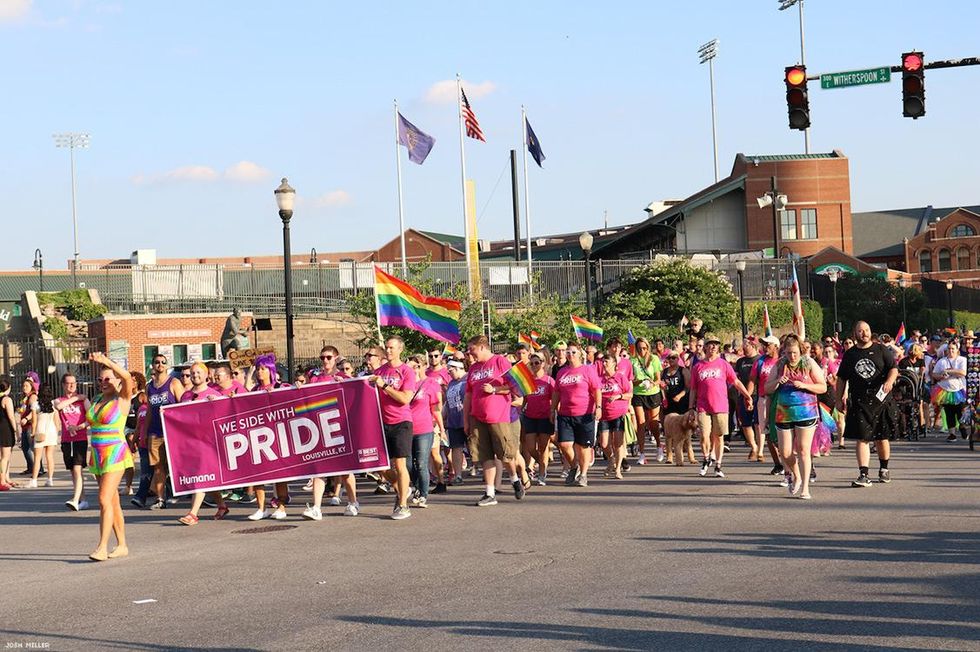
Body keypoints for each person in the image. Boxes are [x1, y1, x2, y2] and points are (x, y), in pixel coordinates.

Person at [463, 335, 529, 506]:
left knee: (505, 455)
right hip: (477, 417)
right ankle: (490, 493)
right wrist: (466, 419)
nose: (469, 352)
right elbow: (468, 395)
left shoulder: (500, 361)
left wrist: (494, 389)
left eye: (472, 349)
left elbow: (515, 387)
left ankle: (514, 479)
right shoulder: (473, 368)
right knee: (485, 456)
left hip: (498, 417)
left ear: (482, 347)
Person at [86, 352, 135, 561]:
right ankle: (122, 544)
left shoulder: (122, 399)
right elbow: (92, 422)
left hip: (115, 453)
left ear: (116, 380)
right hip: (97, 454)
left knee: (103, 499)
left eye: (108, 379)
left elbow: (127, 378)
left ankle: (102, 547)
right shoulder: (97, 399)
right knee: (112, 502)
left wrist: (107, 362)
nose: (103, 383)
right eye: (100, 380)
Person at [835, 321, 898, 487]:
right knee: (862, 438)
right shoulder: (850, 354)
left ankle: (884, 469)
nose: (864, 333)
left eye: (867, 330)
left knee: (881, 438)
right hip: (859, 401)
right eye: (860, 331)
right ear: (855, 334)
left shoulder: (881, 349)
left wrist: (889, 381)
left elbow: (893, 368)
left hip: (881, 400)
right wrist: (838, 399)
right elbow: (841, 378)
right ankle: (863, 474)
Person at [765, 334, 827, 500]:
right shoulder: (779, 364)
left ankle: (805, 488)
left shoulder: (808, 363)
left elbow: (823, 387)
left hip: (806, 411)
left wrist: (805, 385)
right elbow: (767, 388)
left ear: (800, 351)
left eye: (795, 353)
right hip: (784, 412)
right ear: (784, 351)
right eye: (789, 353)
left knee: (803, 450)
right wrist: (778, 381)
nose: (792, 356)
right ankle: (796, 475)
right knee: (785, 452)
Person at [688, 335, 753, 479]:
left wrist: (747, 395)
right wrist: (691, 408)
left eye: (716, 344)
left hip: (720, 405)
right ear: (705, 347)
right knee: (704, 435)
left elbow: (735, 382)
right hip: (703, 406)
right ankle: (706, 458)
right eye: (710, 344)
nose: (713, 347)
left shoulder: (723, 364)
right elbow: (693, 389)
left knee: (718, 436)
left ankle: (718, 465)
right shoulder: (698, 367)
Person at [371, 336, 417, 519]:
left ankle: (403, 505)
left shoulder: (406, 371)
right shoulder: (379, 371)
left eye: (392, 348)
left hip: (401, 422)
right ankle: (402, 489)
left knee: (399, 464)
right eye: (387, 347)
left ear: (400, 350)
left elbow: (405, 398)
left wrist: (385, 386)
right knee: (378, 465)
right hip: (381, 422)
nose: (388, 350)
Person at [176, 362, 228, 525]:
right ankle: (222, 505)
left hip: (208, 443)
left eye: (198, 372)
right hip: (191, 443)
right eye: (192, 373)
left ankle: (192, 514)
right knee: (206, 477)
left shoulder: (214, 394)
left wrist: (217, 404)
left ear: (206, 375)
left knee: (201, 476)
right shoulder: (185, 396)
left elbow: (225, 417)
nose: (195, 375)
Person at [247, 354, 292, 520]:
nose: (260, 372)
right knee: (258, 474)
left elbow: (292, 401)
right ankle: (261, 508)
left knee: (279, 475)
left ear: (271, 370)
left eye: (263, 369)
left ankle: (281, 507)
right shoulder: (254, 391)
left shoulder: (281, 386)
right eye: (258, 369)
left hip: (278, 435)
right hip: (259, 436)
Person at [552, 343, 602, 487]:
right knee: (564, 444)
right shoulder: (562, 372)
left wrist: (598, 407)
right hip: (565, 414)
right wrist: (552, 409)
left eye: (573, 352)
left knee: (582, 446)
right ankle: (574, 466)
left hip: (584, 414)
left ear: (580, 354)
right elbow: (556, 392)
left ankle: (583, 474)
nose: (570, 354)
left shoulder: (588, 370)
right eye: (568, 352)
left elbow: (596, 390)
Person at [144, 353, 184, 510]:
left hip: (172, 431)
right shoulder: (149, 386)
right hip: (155, 432)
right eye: (157, 362)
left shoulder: (174, 383)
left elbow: (183, 406)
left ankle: (179, 493)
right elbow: (148, 411)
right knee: (158, 467)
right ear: (153, 365)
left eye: (163, 362)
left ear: (167, 365)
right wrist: (144, 432)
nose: (160, 364)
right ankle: (160, 499)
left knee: (175, 465)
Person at [407, 354, 443, 508]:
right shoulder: (405, 384)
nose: (413, 370)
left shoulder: (431, 383)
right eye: (410, 367)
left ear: (423, 366)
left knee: (421, 463)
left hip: (424, 428)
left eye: (416, 366)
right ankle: (416, 487)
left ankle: (423, 494)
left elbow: (436, 408)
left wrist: (441, 428)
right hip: (407, 428)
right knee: (408, 464)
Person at [54, 374, 91, 509]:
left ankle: (75, 499)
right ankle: (83, 499)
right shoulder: (59, 400)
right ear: (63, 385)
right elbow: (58, 406)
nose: (72, 385)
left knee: (77, 468)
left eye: (74, 383)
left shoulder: (84, 400)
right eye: (69, 383)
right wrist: (75, 398)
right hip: (66, 440)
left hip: (80, 438)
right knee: (73, 471)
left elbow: (91, 418)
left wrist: (79, 427)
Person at [747, 335, 782, 472]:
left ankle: (787, 459)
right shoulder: (760, 361)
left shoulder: (782, 361)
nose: (765, 347)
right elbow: (752, 380)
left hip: (780, 400)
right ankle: (777, 464)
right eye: (764, 345)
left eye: (768, 345)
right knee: (767, 432)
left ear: (776, 347)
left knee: (782, 431)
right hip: (764, 399)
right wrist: (748, 396)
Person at [521, 352, 555, 486]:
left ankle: (542, 473)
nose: (535, 365)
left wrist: (554, 412)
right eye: (532, 363)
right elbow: (525, 398)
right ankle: (541, 463)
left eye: (537, 363)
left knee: (543, 446)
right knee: (530, 447)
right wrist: (521, 409)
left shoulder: (549, 380)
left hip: (545, 416)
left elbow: (555, 398)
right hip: (530, 416)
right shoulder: (528, 380)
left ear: (543, 364)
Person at [599, 354, 632, 480]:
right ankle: (611, 459)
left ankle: (618, 469)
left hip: (618, 414)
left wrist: (619, 396)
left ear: (614, 364)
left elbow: (630, 394)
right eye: (603, 361)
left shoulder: (620, 377)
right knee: (604, 443)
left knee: (618, 444)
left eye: (606, 361)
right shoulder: (599, 379)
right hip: (604, 415)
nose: (604, 364)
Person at [631, 337, 663, 464]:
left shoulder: (654, 359)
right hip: (638, 393)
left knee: (653, 422)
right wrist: (640, 381)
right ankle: (642, 453)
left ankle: (659, 445)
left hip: (652, 393)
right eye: (639, 348)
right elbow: (631, 380)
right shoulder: (633, 360)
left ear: (648, 348)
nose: (642, 351)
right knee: (641, 422)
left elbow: (658, 379)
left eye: (644, 348)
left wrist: (652, 383)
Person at [930, 339, 968, 442]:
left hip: (959, 389)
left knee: (960, 411)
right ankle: (952, 434)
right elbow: (934, 374)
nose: (951, 351)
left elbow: (962, 372)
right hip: (944, 390)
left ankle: (962, 427)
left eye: (953, 349)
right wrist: (941, 376)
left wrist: (948, 371)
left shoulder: (962, 359)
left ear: (957, 350)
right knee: (949, 412)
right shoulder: (942, 361)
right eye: (949, 349)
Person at [734, 339, 762, 461]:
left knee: (758, 424)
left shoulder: (760, 360)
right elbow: (736, 378)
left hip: (758, 395)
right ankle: (754, 447)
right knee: (745, 423)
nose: (743, 348)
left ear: (753, 346)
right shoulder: (741, 361)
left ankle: (760, 450)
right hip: (743, 395)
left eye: (746, 345)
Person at [28, 386, 58, 488]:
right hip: (51, 431)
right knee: (50, 456)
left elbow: (34, 422)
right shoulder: (53, 404)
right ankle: (50, 479)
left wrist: (32, 433)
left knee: (37, 457)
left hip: (40, 431)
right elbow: (56, 420)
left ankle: (34, 480)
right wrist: (57, 431)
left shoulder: (35, 405)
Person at [443, 360, 468, 485]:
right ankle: (458, 475)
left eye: (450, 370)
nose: (449, 373)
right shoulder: (451, 383)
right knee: (456, 448)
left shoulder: (467, 380)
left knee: (475, 447)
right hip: (454, 421)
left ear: (458, 368)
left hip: (467, 419)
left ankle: (485, 472)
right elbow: (447, 403)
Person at [17, 373, 40, 477]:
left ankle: (39, 469)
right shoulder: (25, 397)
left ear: (31, 387)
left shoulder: (33, 396)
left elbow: (34, 411)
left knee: (34, 448)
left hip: (30, 425)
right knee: (25, 447)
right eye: (23, 386)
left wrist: (26, 418)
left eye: (26, 386)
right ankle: (31, 467)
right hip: (24, 426)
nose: (24, 387)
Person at [0, 381, 18, 491]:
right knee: (5, 457)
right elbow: (11, 416)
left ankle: (7, 477)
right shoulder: (7, 399)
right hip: (5, 428)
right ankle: (2, 480)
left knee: (5, 456)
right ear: (9, 388)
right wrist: (16, 429)